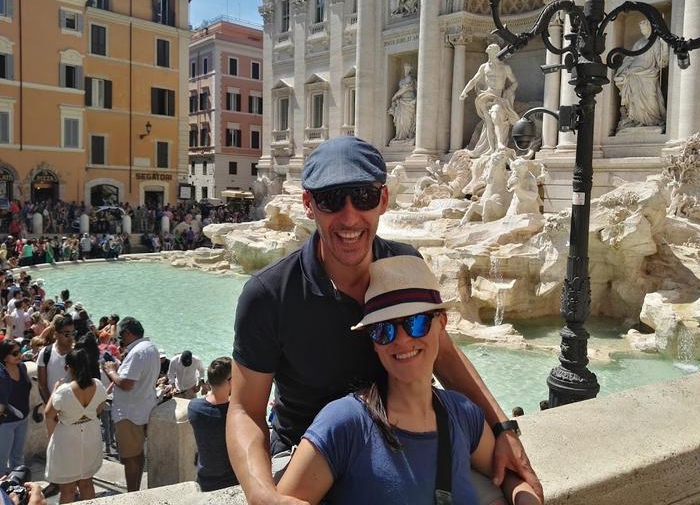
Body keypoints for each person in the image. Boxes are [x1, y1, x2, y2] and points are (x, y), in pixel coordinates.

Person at [228, 136, 543, 505]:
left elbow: (443, 354)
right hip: (306, 452)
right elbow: (245, 410)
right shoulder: (268, 295)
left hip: (402, 437)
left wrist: (503, 429)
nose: (349, 217)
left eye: (362, 196)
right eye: (331, 200)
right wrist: (262, 495)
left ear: (383, 200)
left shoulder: (404, 265)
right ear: (309, 205)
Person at [279, 256, 540, 505]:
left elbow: (510, 478)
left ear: (442, 323)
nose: (402, 340)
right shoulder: (345, 422)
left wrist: (524, 497)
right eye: (384, 329)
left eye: (416, 323)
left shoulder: (463, 414)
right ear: (374, 342)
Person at [102, 317, 160, 492]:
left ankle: (132, 494)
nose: (120, 339)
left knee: (129, 457)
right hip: (143, 408)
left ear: (128, 333)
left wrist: (111, 371)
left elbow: (127, 384)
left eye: (121, 335)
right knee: (138, 453)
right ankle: (135, 490)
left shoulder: (136, 353)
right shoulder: (151, 348)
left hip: (129, 413)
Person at [44, 349, 106, 504]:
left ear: (69, 367)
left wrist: (55, 390)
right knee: (87, 482)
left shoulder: (64, 391)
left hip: (67, 439)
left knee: (67, 489)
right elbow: (99, 409)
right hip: (90, 436)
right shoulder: (98, 385)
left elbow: (48, 414)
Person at [187, 356, 238, 492]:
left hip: (205, 479)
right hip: (232, 481)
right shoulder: (236, 413)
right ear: (230, 381)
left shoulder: (194, 408)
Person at [460, 43, 520, 154]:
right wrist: (464, 92)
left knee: (493, 119)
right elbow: (474, 80)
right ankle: (494, 147)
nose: (493, 54)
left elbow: (515, 82)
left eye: (494, 51)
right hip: (486, 97)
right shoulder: (484, 67)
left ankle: (496, 146)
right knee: (490, 121)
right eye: (491, 52)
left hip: (498, 97)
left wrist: (509, 91)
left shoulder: (505, 67)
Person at [614, 19, 669, 131]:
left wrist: (665, 45)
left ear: (650, 27)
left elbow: (662, 62)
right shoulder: (639, 43)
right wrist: (622, 71)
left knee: (651, 97)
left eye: (644, 27)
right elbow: (630, 58)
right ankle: (636, 120)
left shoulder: (656, 42)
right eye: (640, 28)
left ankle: (653, 120)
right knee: (634, 98)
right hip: (633, 73)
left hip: (649, 74)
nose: (642, 30)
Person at [0, 340, 31, 475]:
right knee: (1, 459)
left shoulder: (22, 368)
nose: (19, 355)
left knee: (18, 457)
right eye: (15, 353)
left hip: (23, 419)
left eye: (20, 351)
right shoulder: (1, 374)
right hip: (6, 422)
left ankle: (17, 483)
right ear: (5, 356)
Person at [37, 314, 75, 405]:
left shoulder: (77, 354)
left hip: (73, 408)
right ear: (56, 334)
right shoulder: (45, 353)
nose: (71, 337)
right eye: (66, 334)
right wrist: (51, 407)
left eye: (73, 333)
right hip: (52, 406)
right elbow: (42, 384)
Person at [387, 62, 417, 143]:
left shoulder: (411, 78)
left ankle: (408, 136)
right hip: (401, 102)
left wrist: (395, 96)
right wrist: (396, 97)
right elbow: (402, 89)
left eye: (407, 67)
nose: (406, 69)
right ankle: (400, 137)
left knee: (408, 121)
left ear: (410, 68)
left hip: (409, 102)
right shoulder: (402, 80)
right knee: (400, 122)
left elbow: (405, 89)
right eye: (405, 67)